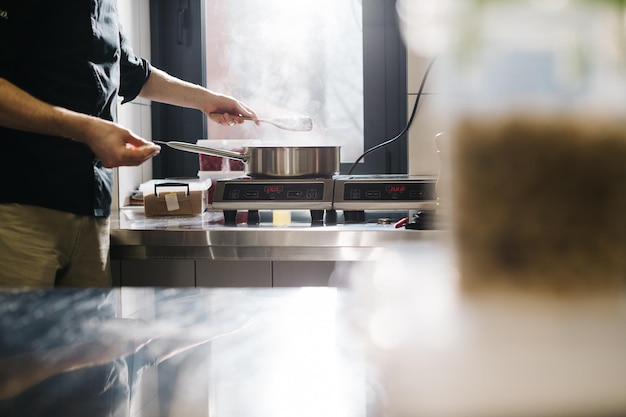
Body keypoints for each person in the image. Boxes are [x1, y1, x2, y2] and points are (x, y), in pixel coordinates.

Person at [0, 0, 258, 288]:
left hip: (91, 212)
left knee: (89, 333)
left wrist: (206, 100)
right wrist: (86, 128)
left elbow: (131, 73)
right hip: (19, 209)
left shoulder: (104, 7)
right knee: (19, 332)